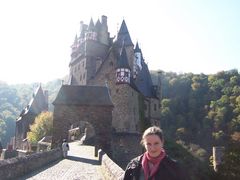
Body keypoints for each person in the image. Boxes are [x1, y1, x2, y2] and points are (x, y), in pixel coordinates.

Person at [123, 126, 188, 180]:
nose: (152, 148)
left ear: (162, 142)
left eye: (156, 143)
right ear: (144, 144)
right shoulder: (134, 165)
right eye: (149, 144)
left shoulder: (173, 167)